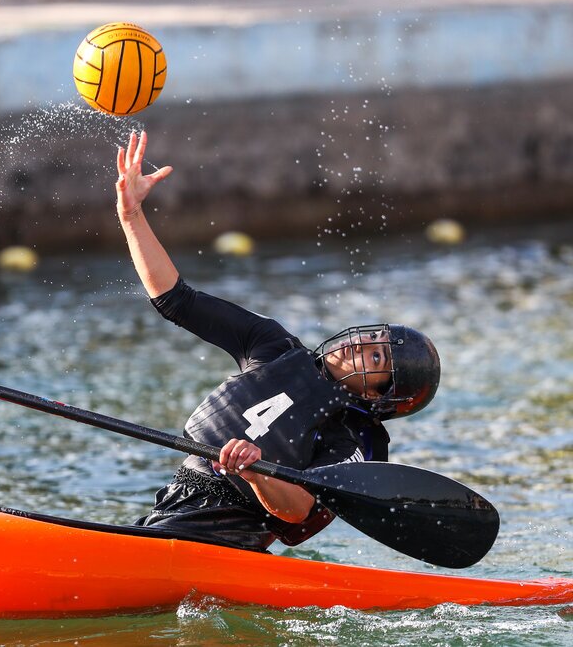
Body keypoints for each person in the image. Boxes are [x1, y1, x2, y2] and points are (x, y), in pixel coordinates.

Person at [115, 132, 441, 551]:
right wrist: (131, 215)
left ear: (380, 396)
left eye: (376, 356)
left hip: (232, 536)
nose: (359, 345)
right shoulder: (273, 347)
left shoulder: (348, 439)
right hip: (178, 503)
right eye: (371, 337)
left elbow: (299, 510)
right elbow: (176, 300)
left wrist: (256, 473)